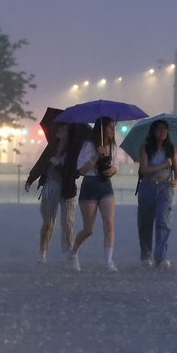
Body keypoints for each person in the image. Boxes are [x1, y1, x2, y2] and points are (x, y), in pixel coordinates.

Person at [67, 116, 119, 273]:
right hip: (89, 184)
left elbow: (116, 166)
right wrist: (96, 156)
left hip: (105, 185)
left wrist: (111, 170)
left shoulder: (112, 146)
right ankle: (74, 252)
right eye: (110, 128)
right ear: (102, 129)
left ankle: (108, 261)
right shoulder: (89, 145)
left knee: (109, 224)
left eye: (113, 128)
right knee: (89, 229)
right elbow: (81, 170)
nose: (112, 131)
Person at [24, 123, 80, 263]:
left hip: (67, 188)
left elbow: (74, 173)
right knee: (48, 222)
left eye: (62, 129)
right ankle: (42, 253)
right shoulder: (52, 147)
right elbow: (41, 163)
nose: (58, 131)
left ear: (68, 133)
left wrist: (58, 165)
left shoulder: (73, 151)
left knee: (68, 223)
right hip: (50, 185)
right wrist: (31, 179)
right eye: (58, 128)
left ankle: (70, 255)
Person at [137, 119, 177, 269]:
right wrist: (163, 165)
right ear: (153, 131)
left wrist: (176, 180)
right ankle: (146, 255)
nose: (162, 132)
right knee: (146, 221)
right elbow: (144, 169)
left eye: (165, 129)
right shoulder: (145, 148)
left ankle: (161, 256)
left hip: (165, 187)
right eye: (159, 129)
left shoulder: (171, 148)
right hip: (148, 186)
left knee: (163, 220)